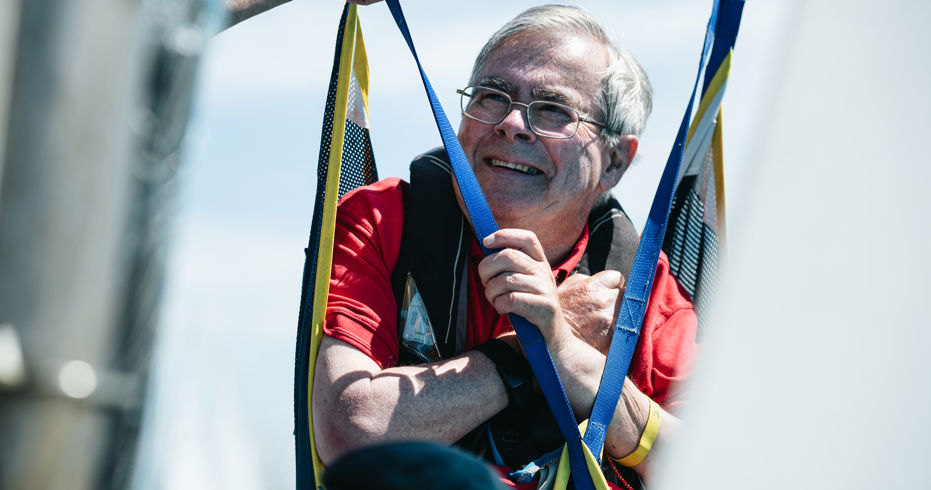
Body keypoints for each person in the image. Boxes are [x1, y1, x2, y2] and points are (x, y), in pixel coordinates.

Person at [228, 1, 697, 488]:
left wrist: (577, 363)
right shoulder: (385, 221)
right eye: (492, 96)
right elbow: (351, 428)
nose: (512, 123)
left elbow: (727, 466)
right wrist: (527, 350)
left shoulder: (647, 298)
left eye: (553, 109)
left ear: (616, 160)